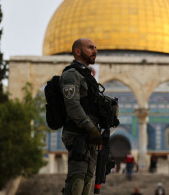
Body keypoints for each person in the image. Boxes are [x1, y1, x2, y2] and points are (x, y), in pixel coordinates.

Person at [60, 38, 102, 195]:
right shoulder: (71, 75)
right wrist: (91, 128)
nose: (95, 51)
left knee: (87, 182)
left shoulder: (88, 77)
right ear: (78, 51)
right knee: (76, 181)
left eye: (95, 48)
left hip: (91, 137)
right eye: (90, 48)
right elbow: (73, 106)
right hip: (78, 135)